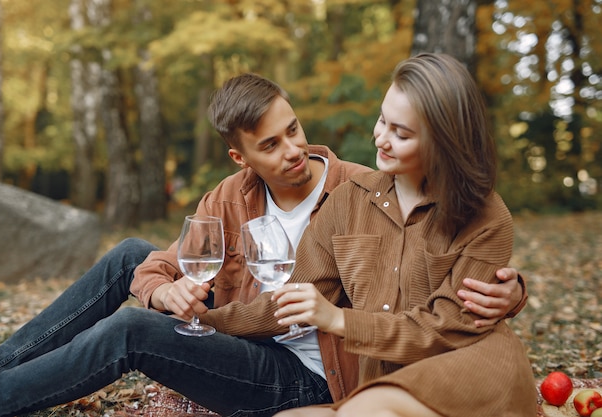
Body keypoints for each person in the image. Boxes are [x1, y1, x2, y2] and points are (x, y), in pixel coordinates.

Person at [0, 72, 526, 417]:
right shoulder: (231, 196)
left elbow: (437, 279)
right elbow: (164, 266)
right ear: (242, 158)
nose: (292, 150)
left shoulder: (358, 187)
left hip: (311, 371)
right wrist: (164, 298)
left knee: (129, 330)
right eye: (270, 144)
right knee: (129, 254)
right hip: (252, 329)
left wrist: (512, 291)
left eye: (293, 129)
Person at [199, 54, 537, 416]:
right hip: (379, 381)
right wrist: (198, 323)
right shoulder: (347, 200)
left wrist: (338, 320)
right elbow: (288, 304)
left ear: (443, 142)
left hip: (466, 368)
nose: (381, 138)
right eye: (381, 120)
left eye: (401, 133)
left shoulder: (485, 215)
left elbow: (445, 330)